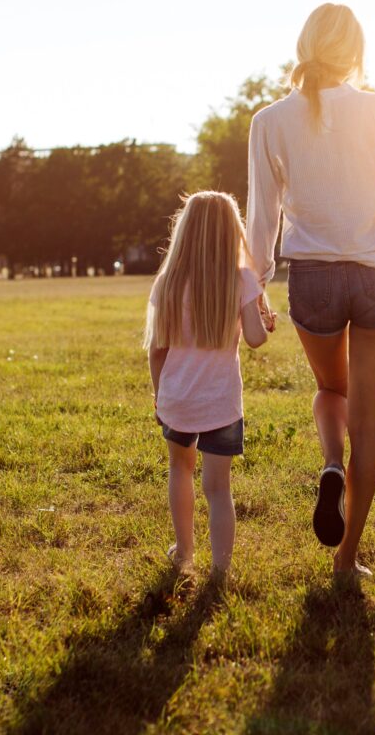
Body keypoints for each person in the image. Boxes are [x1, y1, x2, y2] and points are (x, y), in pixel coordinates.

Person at [247, 3, 375, 579]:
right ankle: (347, 557)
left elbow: (263, 215)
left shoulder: (269, 120)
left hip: (314, 278)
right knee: (370, 417)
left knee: (333, 390)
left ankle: (332, 465)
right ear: (354, 51)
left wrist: (255, 283)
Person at [145, 191, 278, 577]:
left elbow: (157, 350)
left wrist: (159, 396)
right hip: (221, 403)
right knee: (218, 488)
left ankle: (184, 553)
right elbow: (256, 339)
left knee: (179, 469)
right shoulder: (241, 279)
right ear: (230, 231)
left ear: (185, 230)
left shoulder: (168, 282)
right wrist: (261, 319)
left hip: (178, 399)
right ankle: (220, 571)